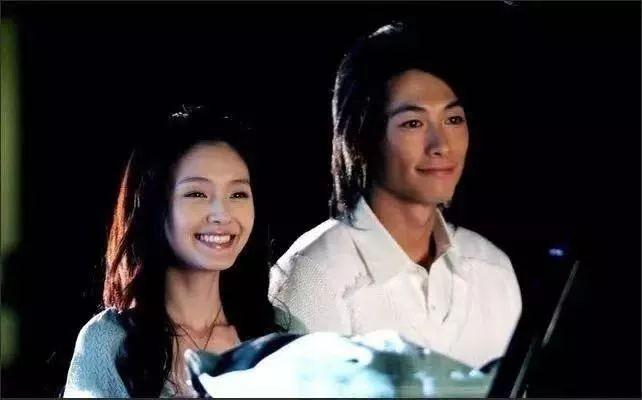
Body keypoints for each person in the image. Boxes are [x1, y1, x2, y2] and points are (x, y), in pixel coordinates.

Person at [269, 23, 522, 369]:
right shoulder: (314, 277)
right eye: (413, 123)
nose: (441, 146)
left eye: (453, 119)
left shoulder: (492, 269)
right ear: (362, 136)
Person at [64, 105, 278, 397]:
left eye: (238, 194)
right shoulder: (109, 341)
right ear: (155, 207)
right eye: (197, 193)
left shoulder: (280, 334)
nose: (222, 214)